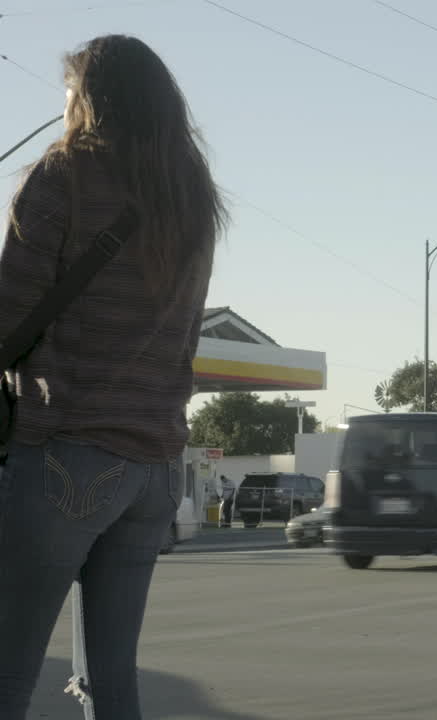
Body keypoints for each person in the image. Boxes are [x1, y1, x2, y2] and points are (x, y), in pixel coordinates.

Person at [0, 35, 223, 719]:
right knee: (112, 678)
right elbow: (186, 337)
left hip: (69, 452)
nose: (64, 107)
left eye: (70, 93)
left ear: (91, 98)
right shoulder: (193, 195)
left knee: (8, 672)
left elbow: (10, 317)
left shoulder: (65, 174)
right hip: (154, 467)